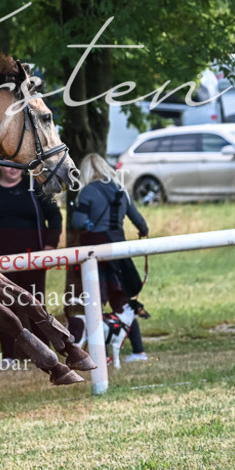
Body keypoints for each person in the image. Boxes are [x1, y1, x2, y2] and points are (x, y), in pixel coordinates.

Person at [0, 165, 63, 367]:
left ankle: (45, 355)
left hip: (32, 261)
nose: (12, 168)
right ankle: (9, 357)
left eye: (16, 163)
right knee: (4, 308)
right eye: (7, 163)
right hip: (0, 264)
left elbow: (55, 216)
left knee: (36, 306)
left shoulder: (35, 187)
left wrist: (50, 245)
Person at [71, 154, 150, 362]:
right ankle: (138, 351)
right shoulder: (121, 190)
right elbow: (141, 223)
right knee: (123, 304)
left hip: (95, 254)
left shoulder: (88, 191)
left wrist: (89, 224)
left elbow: (78, 222)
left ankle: (102, 355)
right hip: (119, 252)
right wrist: (142, 232)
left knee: (95, 303)